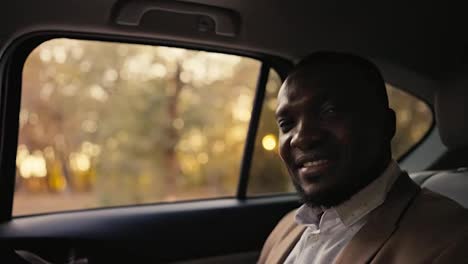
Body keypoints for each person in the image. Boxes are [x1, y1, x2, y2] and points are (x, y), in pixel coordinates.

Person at [258, 52, 468, 264]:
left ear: (386, 125)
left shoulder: (450, 241)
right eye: (286, 124)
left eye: (329, 112)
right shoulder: (286, 228)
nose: (301, 138)